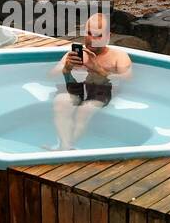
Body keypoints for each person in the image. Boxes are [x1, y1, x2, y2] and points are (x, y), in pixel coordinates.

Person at [49, 12, 132, 150]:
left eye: (98, 35)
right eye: (89, 33)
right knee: (61, 102)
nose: (92, 38)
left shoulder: (118, 56)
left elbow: (127, 78)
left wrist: (98, 69)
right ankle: (64, 145)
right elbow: (51, 75)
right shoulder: (75, 55)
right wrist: (67, 67)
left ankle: (68, 146)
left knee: (85, 109)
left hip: (101, 91)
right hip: (77, 88)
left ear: (108, 36)